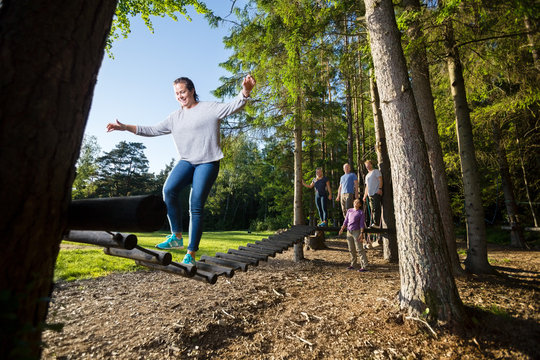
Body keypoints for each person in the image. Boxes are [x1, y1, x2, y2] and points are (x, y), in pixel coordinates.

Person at [106, 75, 256, 266]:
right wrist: (125, 127)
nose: (180, 96)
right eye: (177, 93)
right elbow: (152, 130)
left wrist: (246, 91)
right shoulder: (174, 118)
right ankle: (176, 236)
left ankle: (191, 253)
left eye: (183, 92)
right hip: (187, 161)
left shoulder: (209, 108)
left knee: (196, 204)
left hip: (208, 162)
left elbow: (234, 105)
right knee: (169, 190)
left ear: (192, 90)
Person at [339, 199, 368, 272]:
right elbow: (346, 221)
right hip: (349, 231)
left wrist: (361, 233)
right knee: (351, 249)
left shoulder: (361, 212)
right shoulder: (349, 211)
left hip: (357, 232)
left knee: (360, 249)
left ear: (360, 205)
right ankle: (353, 264)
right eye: (355, 202)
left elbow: (362, 224)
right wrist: (342, 228)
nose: (356, 203)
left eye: (358, 202)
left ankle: (364, 266)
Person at [362, 160, 383, 228]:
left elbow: (380, 179)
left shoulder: (376, 171)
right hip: (370, 194)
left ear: (371, 164)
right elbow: (367, 186)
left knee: (376, 208)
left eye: (368, 165)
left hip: (376, 192)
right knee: (372, 209)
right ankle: (374, 223)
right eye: (366, 166)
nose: (367, 166)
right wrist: (365, 196)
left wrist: (380, 188)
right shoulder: (367, 175)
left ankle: (377, 223)